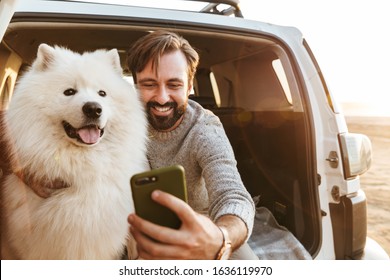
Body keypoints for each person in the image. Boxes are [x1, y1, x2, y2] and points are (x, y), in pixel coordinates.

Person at [126, 30, 256, 260]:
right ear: (135, 86)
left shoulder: (205, 129)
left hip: (203, 230)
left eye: (174, 85)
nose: (162, 98)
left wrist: (221, 238)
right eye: (149, 84)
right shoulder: (119, 121)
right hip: (135, 228)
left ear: (189, 87)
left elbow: (233, 195)